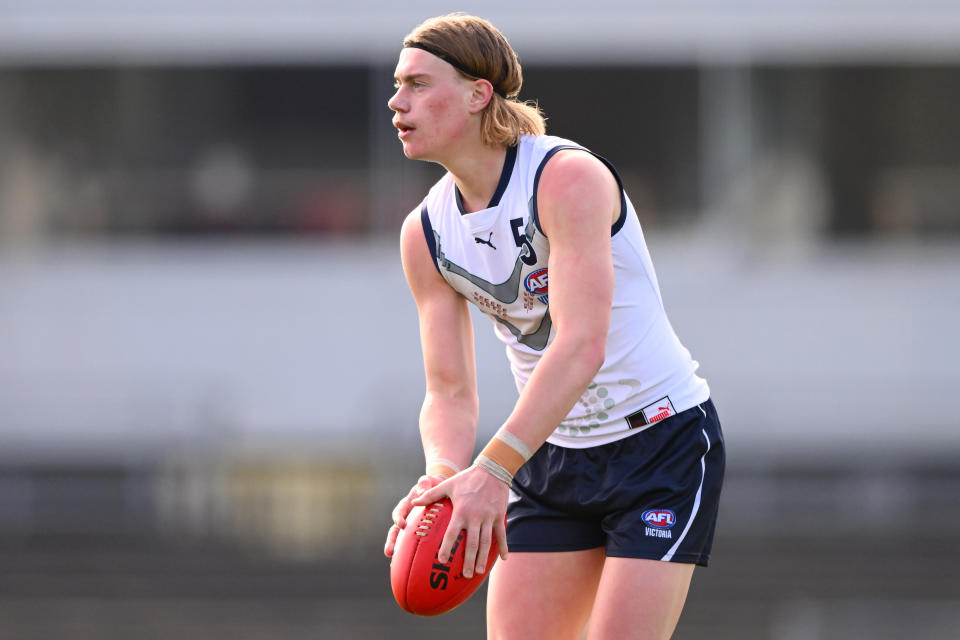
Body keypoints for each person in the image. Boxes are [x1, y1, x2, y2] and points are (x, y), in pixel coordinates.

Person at [382, 13, 725, 640]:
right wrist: (441, 475)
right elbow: (449, 392)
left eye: (417, 84)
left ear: (478, 93)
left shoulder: (565, 178)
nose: (396, 100)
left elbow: (580, 346)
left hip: (658, 444)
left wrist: (491, 470)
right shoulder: (424, 234)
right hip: (547, 455)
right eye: (397, 85)